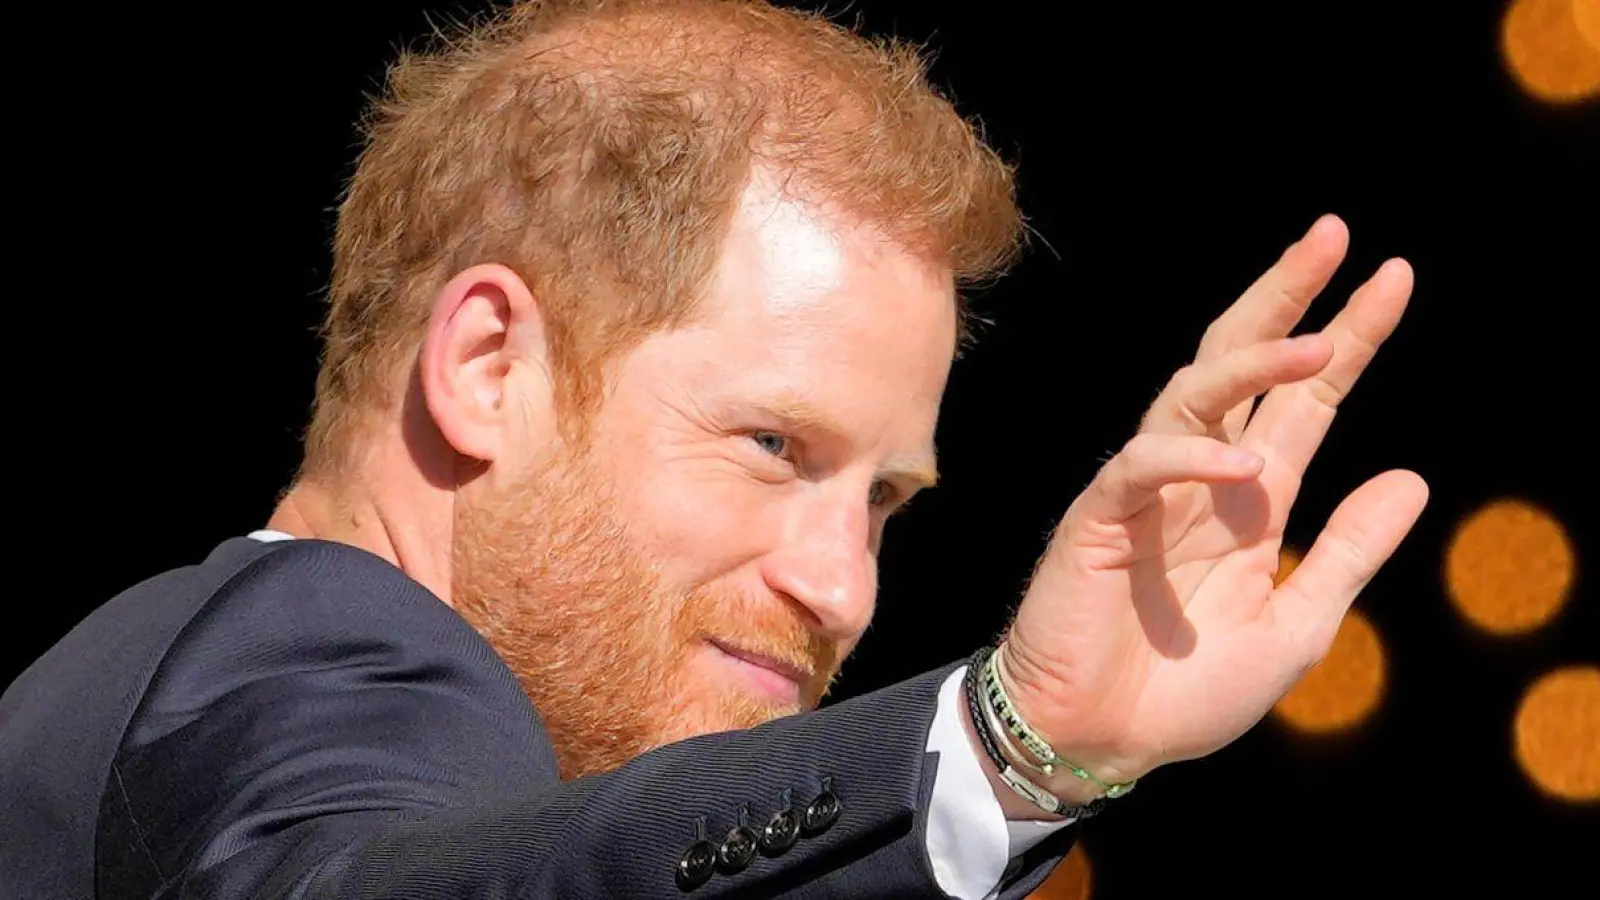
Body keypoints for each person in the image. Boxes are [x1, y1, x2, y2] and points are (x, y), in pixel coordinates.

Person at [0, 0, 1429, 897]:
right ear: (486, 368)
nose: (846, 591)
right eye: (770, 443)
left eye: (883, 501)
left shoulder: (159, 687)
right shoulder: (309, 655)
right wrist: (1001, 742)